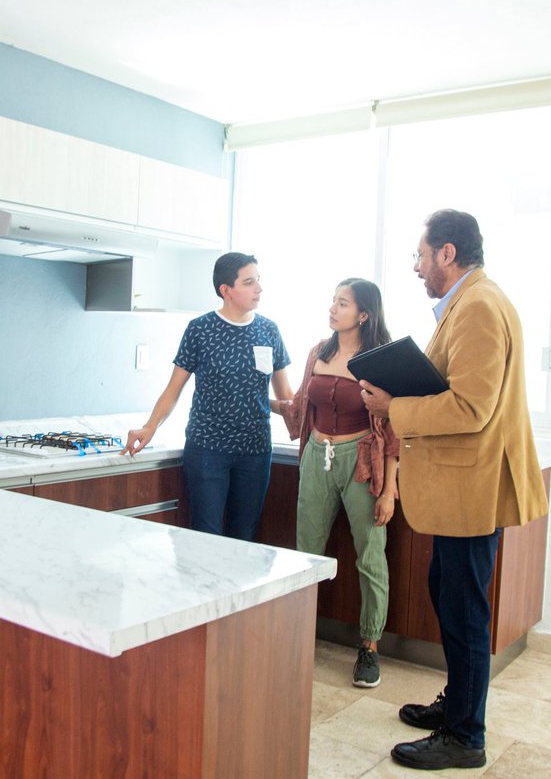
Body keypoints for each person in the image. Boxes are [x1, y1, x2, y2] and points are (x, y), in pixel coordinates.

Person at [361, 210, 549, 771]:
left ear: (447, 253)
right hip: (464, 486)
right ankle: (458, 707)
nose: (417, 268)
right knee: (450, 595)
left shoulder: (480, 308)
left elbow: (471, 406)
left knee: (464, 611)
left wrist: (392, 406)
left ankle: (466, 736)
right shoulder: (469, 304)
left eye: (420, 256)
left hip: (475, 486)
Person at [273, 278, 399, 689]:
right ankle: (297, 636)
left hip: (361, 461)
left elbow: (394, 429)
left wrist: (389, 490)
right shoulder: (318, 352)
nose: (332, 308)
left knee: (370, 555)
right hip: (315, 458)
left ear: (363, 314)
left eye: (341, 303)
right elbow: (299, 408)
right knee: (305, 551)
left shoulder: (380, 359)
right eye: (333, 301)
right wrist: (258, 397)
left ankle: (369, 648)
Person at [122, 252, 292, 540]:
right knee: (206, 537)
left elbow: (285, 399)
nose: (259, 289)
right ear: (226, 290)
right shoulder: (200, 329)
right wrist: (150, 426)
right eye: (249, 282)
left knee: (244, 538)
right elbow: (173, 390)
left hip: (255, 451)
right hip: (208, 450)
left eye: (258, 281)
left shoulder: (269, 331)